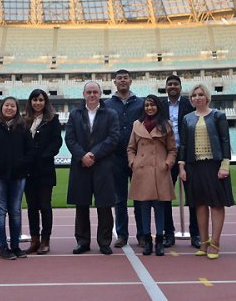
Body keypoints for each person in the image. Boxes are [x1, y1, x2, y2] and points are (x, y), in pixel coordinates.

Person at [178, 83, 233, 260]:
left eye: (201, 94)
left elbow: (225, 140)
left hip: (214, 165)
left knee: (216, 203)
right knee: (199, 204)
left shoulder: (218, 116)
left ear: (207, 97)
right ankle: (203, 242)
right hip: (194, 165)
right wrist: (182, 166)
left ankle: (215, 242)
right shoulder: (187, 119)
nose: (197, 98)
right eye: (194, 95)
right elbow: (184, 145)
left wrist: (225, 165)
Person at [65, 81, 119, 255]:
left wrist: (93, 154)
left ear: (100, 94)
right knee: (81, 205)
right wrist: (82, 156)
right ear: (83, 94)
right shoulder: (75, 114)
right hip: (81, 165)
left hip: (102, 165)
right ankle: (83, 242)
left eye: (95, 92)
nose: (92, 95)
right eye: (89, 92)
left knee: (104, 205)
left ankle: (104, 242)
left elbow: (113, 138)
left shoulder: (110, 114)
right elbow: (70, 139)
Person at [0, 96, 33, 260]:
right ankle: (3, 247)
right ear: (2, 107)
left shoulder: (22, 127)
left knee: (16, 211)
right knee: (0, 211)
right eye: (7, 105)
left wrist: (22, 163)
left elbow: (30, 150)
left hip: (17, 175)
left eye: (13, 106)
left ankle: (15, 246)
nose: (10, 108)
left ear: (17, 109)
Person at [127, 95, 177, 256]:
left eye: (153, 105)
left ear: (158, 107)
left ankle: (160, 241)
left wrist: (167, 163)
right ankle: (147, 240)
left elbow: (172, 149)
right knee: (144, 208)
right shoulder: (137, 125)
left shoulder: (166, 125)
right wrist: (133, 163)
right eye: (147, 105)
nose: (149, 108)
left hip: (159, 171)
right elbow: (131, 148)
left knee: (160, 207)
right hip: (141, 171)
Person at [105, 69, 144, 248]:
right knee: (119, 199)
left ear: (130, 81)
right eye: (119, 78)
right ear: (115, 82)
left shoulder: (141, 103)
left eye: (125, 78)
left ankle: (142, 234)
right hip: (116, 157)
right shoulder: (107, 104)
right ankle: (122, 234)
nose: (122, 81)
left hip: (137, 156)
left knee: (140, 197)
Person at [161, 75, 200, 249]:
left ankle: (196, 233)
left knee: (193, 196)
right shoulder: (161, 106)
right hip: (167, 155)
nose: (173, 86)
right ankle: (168, 234)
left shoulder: (189, 104)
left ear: (180, 86)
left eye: (175, 84)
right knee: (165, 197)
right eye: (170, 84)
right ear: (166, 87)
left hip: (188, 155)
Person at [23, 89, 63, 255]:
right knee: (32, 207)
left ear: (45, 102)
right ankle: (35, 239)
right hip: (27, 171)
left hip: (45, 169)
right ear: (30, 102)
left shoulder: (52, 120)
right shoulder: (24, 121)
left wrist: (42, 156)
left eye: (40, 100)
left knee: (45, 206)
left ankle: (45, 240)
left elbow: (56, 143)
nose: (37, 103)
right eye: (34, 100)